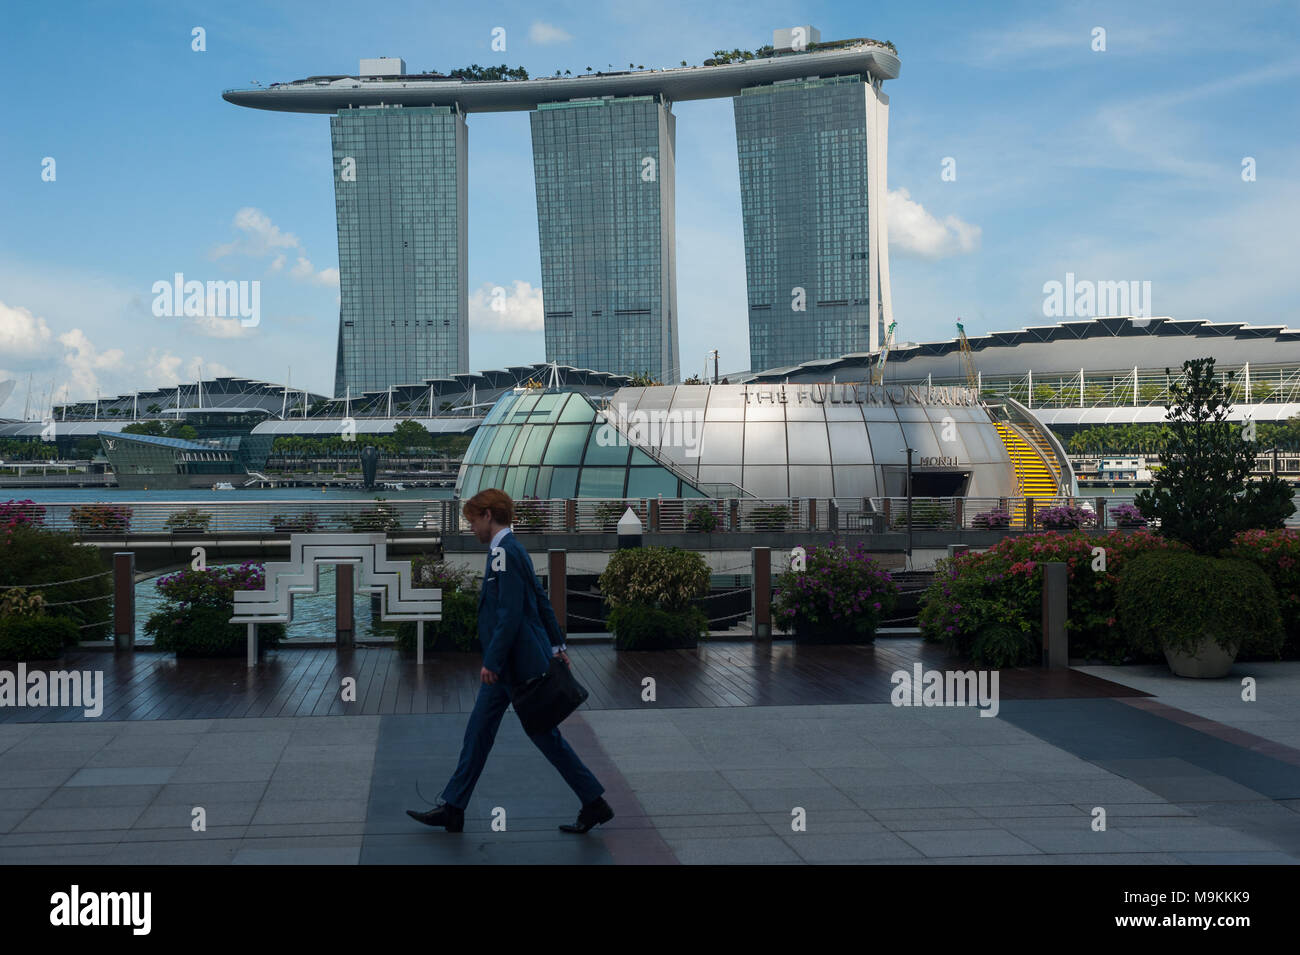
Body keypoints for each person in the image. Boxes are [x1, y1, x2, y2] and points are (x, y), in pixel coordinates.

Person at [407, 488, 614, 834]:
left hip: (513, 668)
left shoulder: (503, 551)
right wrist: (556, 643)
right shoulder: (512, 550)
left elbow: (510, 613)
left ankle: (594, 802)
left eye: (472, 520)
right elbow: (539, 599)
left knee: (542, 737)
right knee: (480, 732)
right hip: (513, 667)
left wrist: (493, 660)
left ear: (488, 515)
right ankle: (454, 808)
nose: (471, 528)